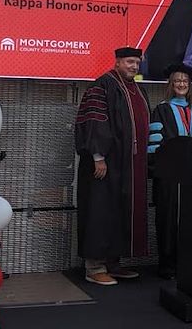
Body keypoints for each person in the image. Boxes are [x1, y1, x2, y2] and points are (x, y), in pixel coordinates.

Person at [74, 47, 150, 286]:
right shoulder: (102, 86)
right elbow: (94, 121)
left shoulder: (137, 89)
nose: (134, 67)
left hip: (129, 166)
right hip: (106, 164)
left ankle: (113, 262)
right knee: (100, 211)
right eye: (129, 62)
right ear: (117, 62)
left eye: (137, 63)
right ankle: (94, 267)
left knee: (120, 212)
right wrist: (98, 156)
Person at [148, 64, 192, 280]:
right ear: (170, 84)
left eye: (185, 81)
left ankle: (187, 261)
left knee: (190, 219)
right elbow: (155, 142)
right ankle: (167, 264)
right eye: (177, 81)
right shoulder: (162, 109)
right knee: (168, 219)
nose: (181, 84)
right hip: (169, 176)